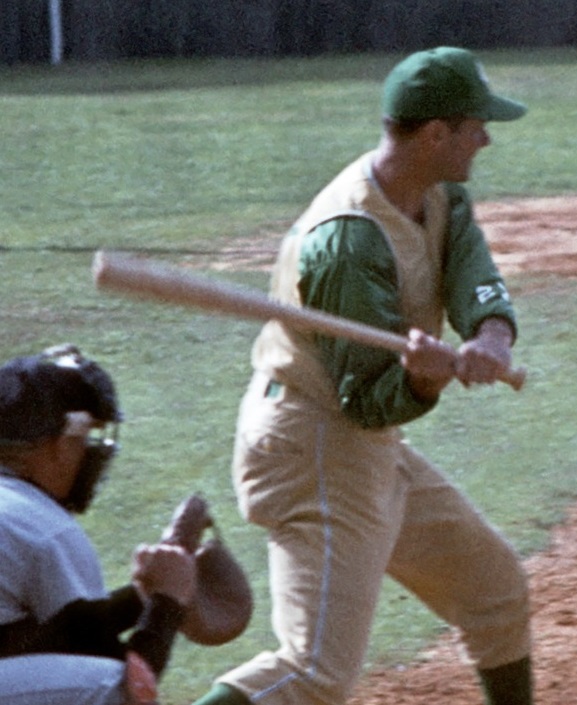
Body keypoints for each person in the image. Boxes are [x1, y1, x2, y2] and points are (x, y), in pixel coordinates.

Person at [192, 47, 533, 705]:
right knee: (315, 671)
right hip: (313, 441)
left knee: (495, 590)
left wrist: (490, 333)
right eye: (475, 126)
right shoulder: (348, 238)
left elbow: (469, 264)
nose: (486, 137)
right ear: (436, 134)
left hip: (362, 446)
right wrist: (424, 380)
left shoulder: (437, 193)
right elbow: (369, 398)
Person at [0, 344, 197, 705]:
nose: (91, 453)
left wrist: (141, 597)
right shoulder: (42, 526)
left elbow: (41, 639)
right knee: (107, 686)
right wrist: (168, 603)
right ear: (56, 445)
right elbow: (128, 680)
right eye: (83, 439)